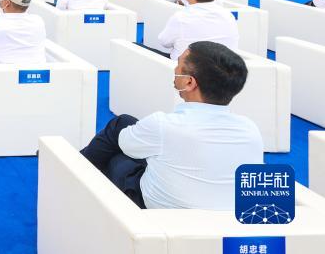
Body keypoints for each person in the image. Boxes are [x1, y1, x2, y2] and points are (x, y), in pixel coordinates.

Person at [80, 42, 262, 210]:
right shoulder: (250, 130)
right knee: (126, 124)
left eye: (178, 64)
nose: (175, 69)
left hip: (161, 214)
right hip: (227, 218)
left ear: (189, 82)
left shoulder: (163, 125)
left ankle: (76, 173)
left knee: (116, 151)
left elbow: (127, 145)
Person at [153, 0, 239, 59]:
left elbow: (164, 42)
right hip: (222, 65)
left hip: (184, 66)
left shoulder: (181, 17)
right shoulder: (229, 15)